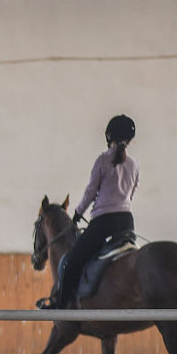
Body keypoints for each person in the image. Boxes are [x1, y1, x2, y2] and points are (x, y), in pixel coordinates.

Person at [38, 114, 140, 310]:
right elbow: (131, 194)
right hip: (127, 223)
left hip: (103, 223)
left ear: (108, 136)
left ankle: (61, 307)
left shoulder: (102, 161)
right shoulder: (134, 164)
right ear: (130, 140)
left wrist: (77, 214)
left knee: (71, 261)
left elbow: (91, 192)